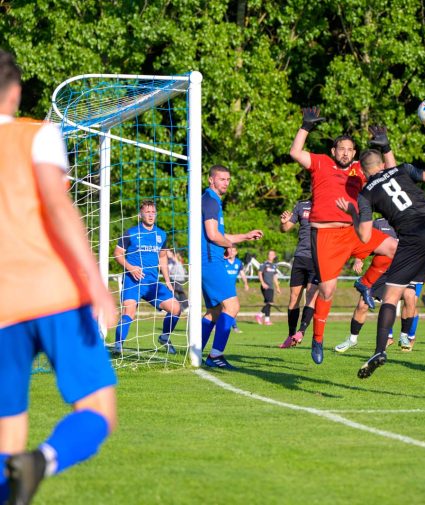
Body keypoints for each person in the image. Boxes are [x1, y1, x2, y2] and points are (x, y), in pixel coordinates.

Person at [0, 50, 117, 504]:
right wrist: (93, 279)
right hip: (54, 294)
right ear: (15, 92)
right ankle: (44, 460)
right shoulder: (38, 135)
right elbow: (56, 203)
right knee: (98, 410)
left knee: (6, 436)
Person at [338, 136, 425, 380]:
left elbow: (365, 234)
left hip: (414, 236)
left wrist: (352, 214)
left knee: (391, 297)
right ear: (382, 164)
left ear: (363, 170)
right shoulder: (401, 169)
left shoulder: (365, 194)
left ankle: (379, 351)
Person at [290, 108, 397, 364]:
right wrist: (305, 127)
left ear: (354, 152)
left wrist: (386, 147)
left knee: (394, 247)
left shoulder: (361, 169)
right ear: (333, 152)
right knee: (327, 290)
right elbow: (295, 152)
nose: (346, 152)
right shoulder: (320, 163)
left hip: (353, 232)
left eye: (350, 149)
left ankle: (366, 283)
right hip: (326, 236)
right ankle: (317, 339)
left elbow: (392, 172)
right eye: (341, 149)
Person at [200, 164, 263, 369]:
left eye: (228, 179)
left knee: (215, 311)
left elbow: (220, 236)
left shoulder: (213, 200)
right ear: (211, 180)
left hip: (210, 260)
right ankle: (215, 356)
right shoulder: (210, 201)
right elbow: (212, 235)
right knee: (232, 306)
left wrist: (244, 237)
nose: (226, 183)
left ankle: (196, 351)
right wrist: (229, 245)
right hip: (210, 261)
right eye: (221, 179)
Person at [335, 218, 425, 353]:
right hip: (381, 271)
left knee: (410, 296)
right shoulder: (379, 223)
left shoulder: (409, 221)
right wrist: (359, 259)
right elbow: (365, 242)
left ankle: (404, 336)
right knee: (362, 305)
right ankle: (352, 339)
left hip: (403, 270)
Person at [113, 199, 183, 355]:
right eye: (147, 212)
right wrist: (131, 268)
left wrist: (167, 281)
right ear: (140, 214)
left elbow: (163, 258)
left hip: (153, 283)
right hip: (133, 281)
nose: (151, 215)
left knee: (176, 308)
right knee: (128, 312)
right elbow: (117, 254)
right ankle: (118, 346)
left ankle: (164, 337)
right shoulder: (131, 233)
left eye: (153, 212)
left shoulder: (161, 234)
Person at [278, 200, 320, 348]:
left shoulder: (328, 204)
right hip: (300, 257)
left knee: (310, 295)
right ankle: (290, 335)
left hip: (317, 259)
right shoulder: (301, 206)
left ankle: (301, 332)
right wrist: (283, 222)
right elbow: (286, 228)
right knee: (293, 297)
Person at [224, 246, 249, 333]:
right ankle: (216, 325)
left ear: (236, 252)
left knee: (233, 308)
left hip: (232, 289)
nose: (231, 252)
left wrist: (245, 283)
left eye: (233, 250)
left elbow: (242, 274)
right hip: (222, 288)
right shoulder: (223, 261)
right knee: (221, 308)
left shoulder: (238, 263)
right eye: (229, 250)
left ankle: (234, 327)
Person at [256, 250, 280, 325]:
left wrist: (278, 287)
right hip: (265, 286)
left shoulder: (274, 265)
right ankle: (259, 315)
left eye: (272, 254)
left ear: (274, 256)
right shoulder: (264, 264)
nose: (270, 256)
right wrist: (263, 283)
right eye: (269, 254)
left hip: (271, 287)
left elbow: (275, 277)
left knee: (268, 303)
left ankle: (267, 320)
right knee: (270, 302)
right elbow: (259, 273)